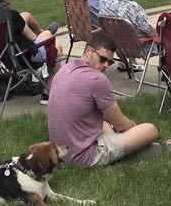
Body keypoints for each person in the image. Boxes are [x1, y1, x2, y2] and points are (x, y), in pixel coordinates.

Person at [47, 32, 160, 167]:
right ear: (88, 51)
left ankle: (126, 148)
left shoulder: (65, 68)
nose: (106, 65)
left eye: (110, 62)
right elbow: (121, 124)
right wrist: (134, 129)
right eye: (102, 59)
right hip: (82, 156)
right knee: (150, 130)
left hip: (59, 152)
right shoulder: (97, 79)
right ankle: (131, 150)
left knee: (104, 123)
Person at [0, 0, 62, 104]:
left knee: (27, 16)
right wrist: (42, 36)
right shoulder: (12, 15)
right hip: (24, 57)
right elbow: (32, 38)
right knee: (56, 45)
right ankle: (47, 93)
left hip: (4, 55)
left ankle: (45, 31)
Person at [98, 0, 157, 70]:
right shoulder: (131, 7)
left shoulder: (103, 2)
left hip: (117, 45)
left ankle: (130, 63)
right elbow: (151, 32)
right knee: (168, 35)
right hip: (140, 47)